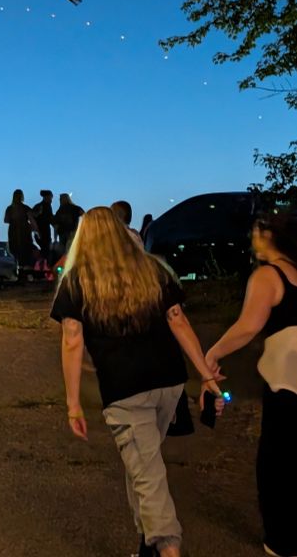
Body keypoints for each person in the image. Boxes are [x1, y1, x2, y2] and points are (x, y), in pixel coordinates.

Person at [51, 206, 223, 557]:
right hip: (168, 385)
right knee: (142, 466)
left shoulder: (77, 281)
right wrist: (205, 374)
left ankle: (168, 547)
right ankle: (147, 547)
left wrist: (73, 405)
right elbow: (178, 321)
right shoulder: (153, 269)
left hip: (125, 390)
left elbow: (72, 340)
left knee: (148, 475)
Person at [204, 210, 297, 557]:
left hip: (286, 384)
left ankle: (282, 542)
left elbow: (248, 326)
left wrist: (212, 354)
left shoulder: (267, 276)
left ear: (269, 236)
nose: (251, 239)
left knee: (278, 462)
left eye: (256, 233)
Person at [4, 189, 37, 278]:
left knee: (17, 253)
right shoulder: (25, 208)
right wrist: (36, 230)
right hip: (24, 233)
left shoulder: (10, 208)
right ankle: (25, 273)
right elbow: (32, 217)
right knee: (25, 252)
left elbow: (6, 220)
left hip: (13, 233)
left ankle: (19, 272)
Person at [53, 192, 84, 260]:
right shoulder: (75, 208)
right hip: (71, 232)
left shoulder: (60, 211)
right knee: (71, 250)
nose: (59, 200)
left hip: (63, 233)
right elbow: (84, 215)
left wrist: (55, 238)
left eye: (60, 199)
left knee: (64, 252)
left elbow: (56, 225)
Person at [32, 189, 54, 260]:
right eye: (50, 197)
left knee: (45, 250)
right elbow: (50, 218)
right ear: (46, 197)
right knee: (46, 250)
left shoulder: (40, 206)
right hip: (43, 231)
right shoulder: (45, 206)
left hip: (41, 231)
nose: (51, 199)